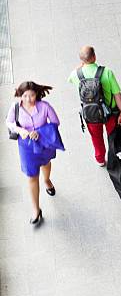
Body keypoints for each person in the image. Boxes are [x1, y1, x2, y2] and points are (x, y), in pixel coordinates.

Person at [6, 82, 63, 226]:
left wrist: (40, 132)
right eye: (25, 95)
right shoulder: (16, 108)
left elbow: (55, 122)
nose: (28, 99)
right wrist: (20, 130)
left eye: (31, 95)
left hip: (43, 143)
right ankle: (36, 210)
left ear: (36, 94)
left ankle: (47, 180)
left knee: (46, 163)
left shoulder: (45, 106)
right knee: (31, 176)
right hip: (26, 146)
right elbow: (9, 122)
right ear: (20, 95)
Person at [68, 46, 121, 167]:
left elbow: (69, 79)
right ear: (94, 56)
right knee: (112, 135)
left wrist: (80, 66)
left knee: (96, 137)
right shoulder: (107, 72)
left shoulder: (76, 74)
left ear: (82, 60)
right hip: (110, 113)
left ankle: (100, 159)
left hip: (90, 114)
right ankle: (114, 156)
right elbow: (117, 94)